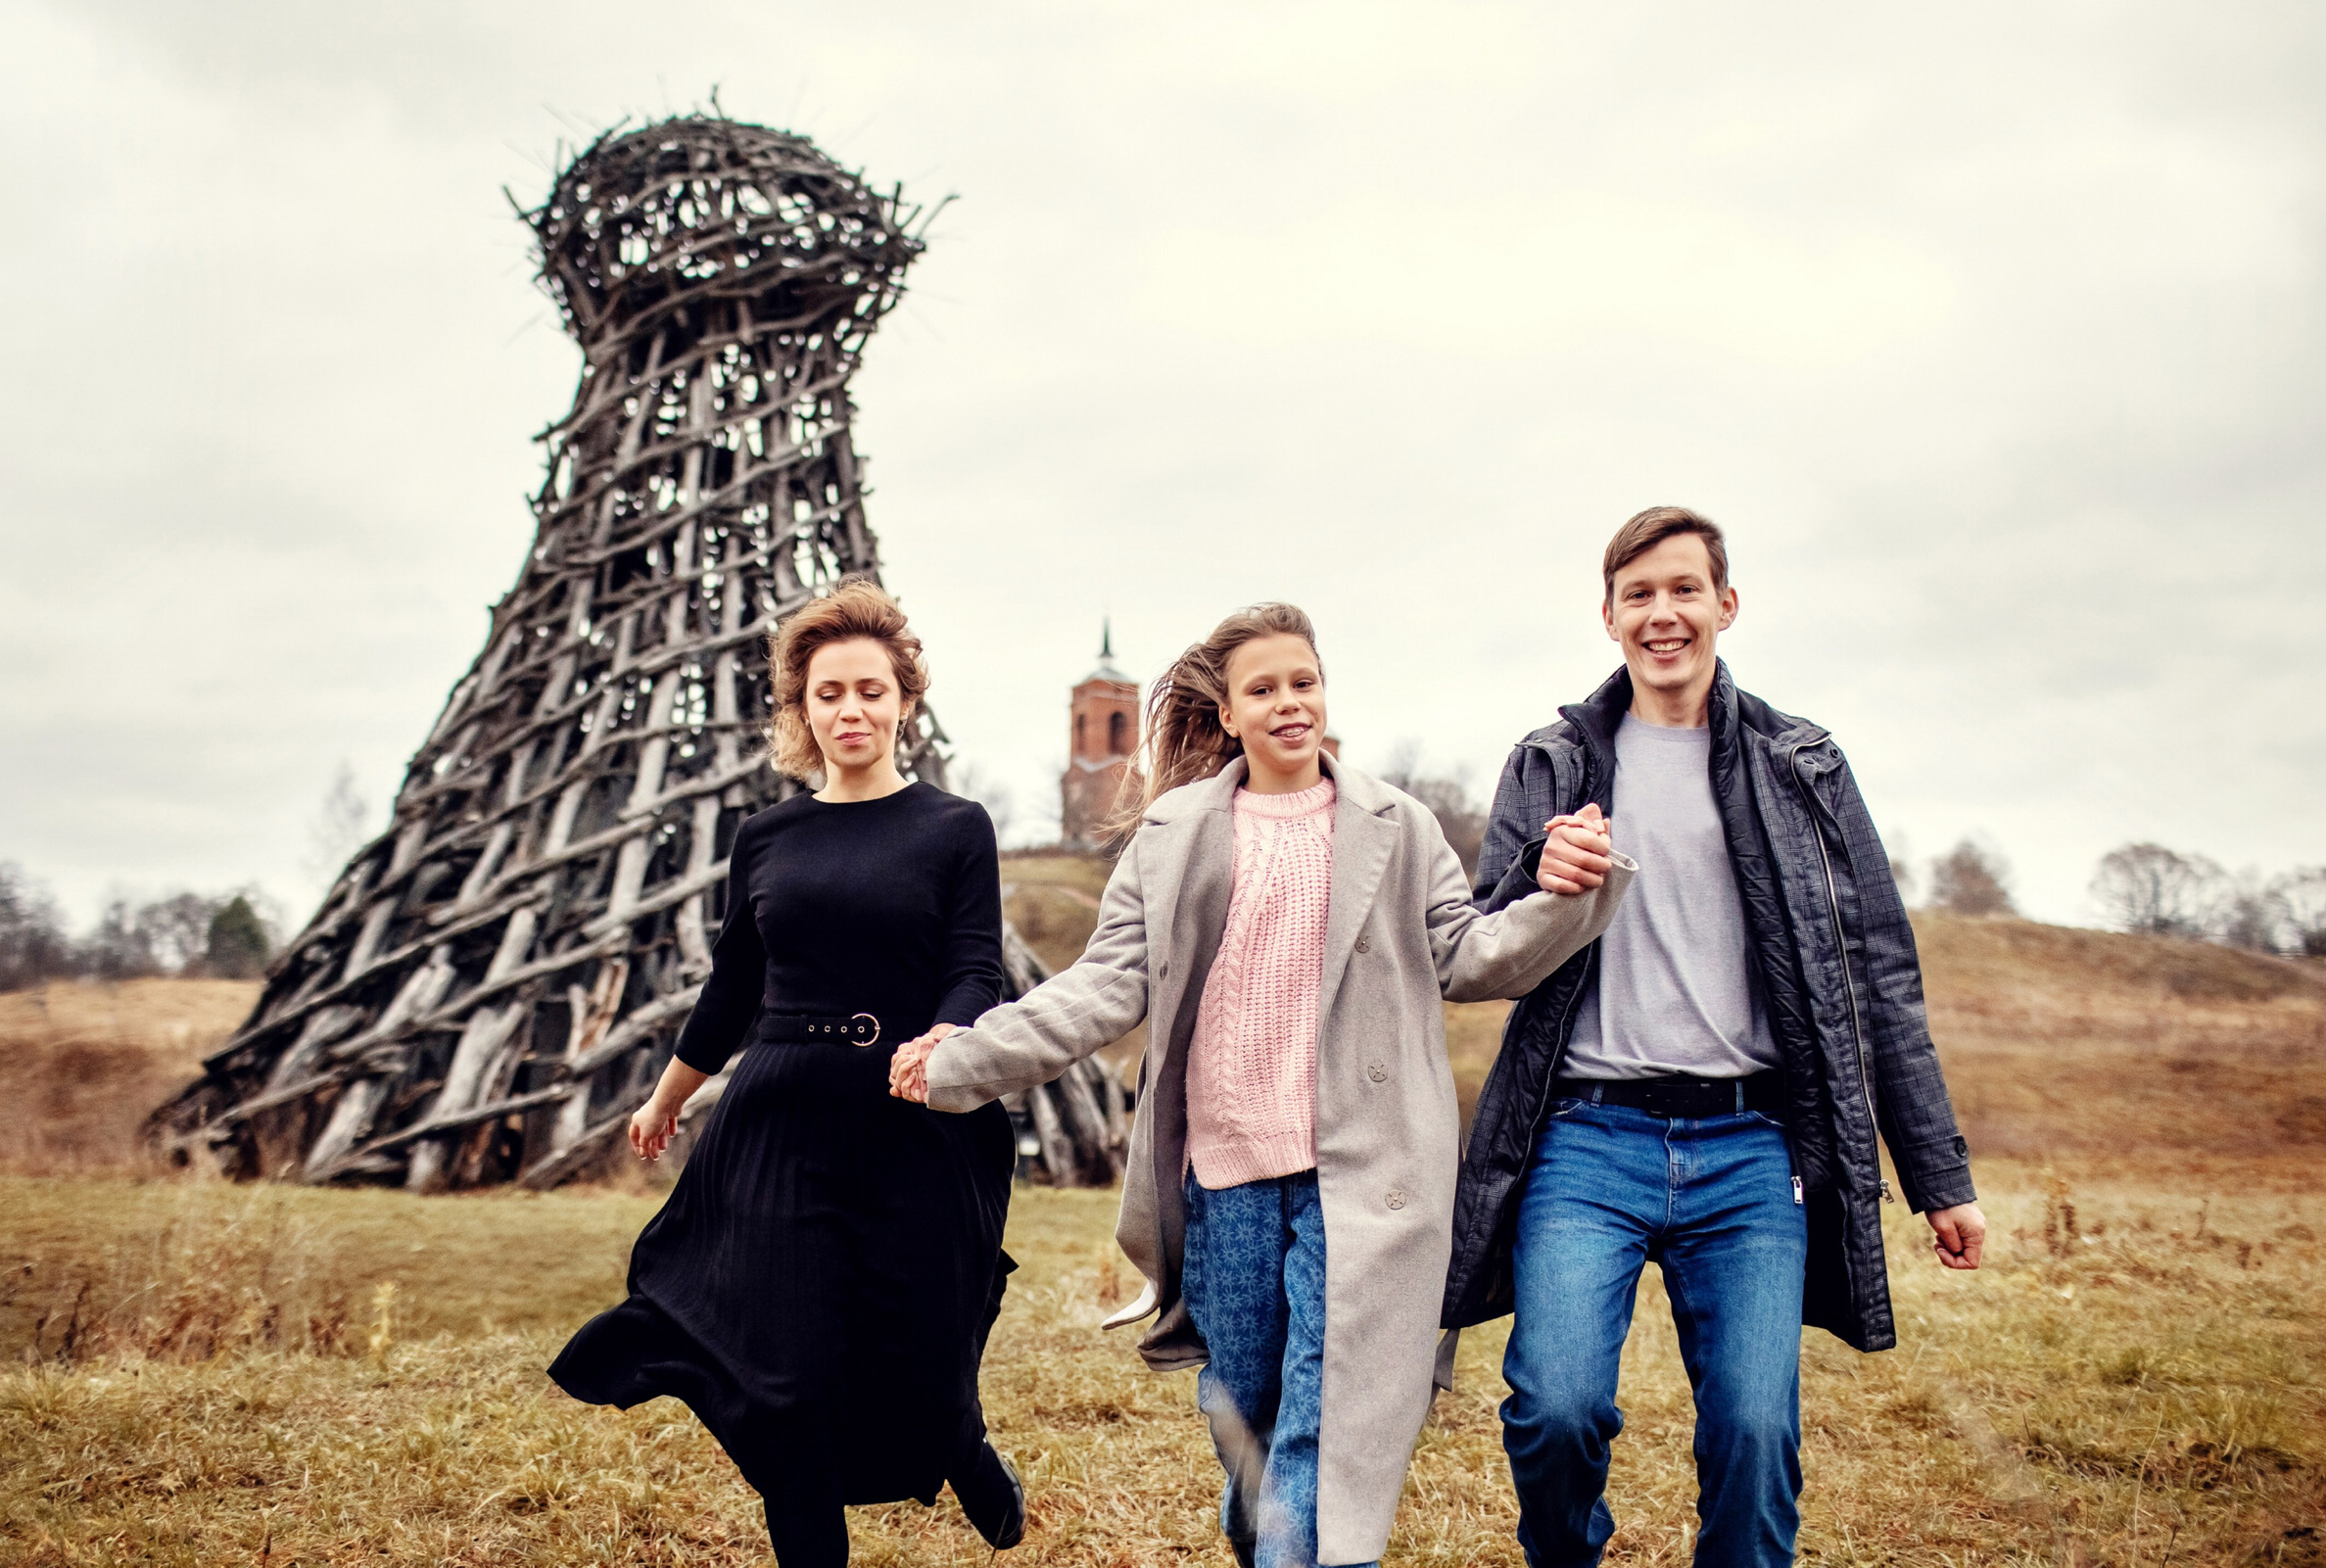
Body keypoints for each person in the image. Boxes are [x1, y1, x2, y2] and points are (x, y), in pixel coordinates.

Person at [891, 602, 1635, 1568]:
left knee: (1323, 1426)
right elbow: (1103, 988)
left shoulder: (1397, 826)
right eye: (1263, 689)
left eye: (1303, 682)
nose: (1289, 702)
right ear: (1229, 713)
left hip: (1366, 1175)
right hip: (1225, 1176)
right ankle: (1257, 1532)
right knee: (1245, 1407)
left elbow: (1471, 960)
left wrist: (1568, 896)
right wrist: (960, 1060)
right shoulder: (1173, 836)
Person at [1448, 506, 1986, 1568]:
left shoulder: (1802, 765)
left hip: (1751, 1148)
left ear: (1725, 606)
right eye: (1639, 595)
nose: (1664, 614)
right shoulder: (1552, 761)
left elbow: (1876, 973)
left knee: (1751, 1428)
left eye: (1684, 590)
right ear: (1607, 618)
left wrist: (1938, 1174)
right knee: (1553, 1407)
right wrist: (1537, 881)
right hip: (1584, 1138)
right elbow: (1478, 948)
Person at [548, 580, 1024, 1568]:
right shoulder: (766, 836)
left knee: (925, 1334)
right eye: (828, 694)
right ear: (801, 710)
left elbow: (975, 961)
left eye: (870, 691)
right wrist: (668, 1095)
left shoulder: (953, 826)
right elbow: (734, 984)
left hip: (911, 1110)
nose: (850, 711)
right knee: (786, 1375)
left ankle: (957, 1439)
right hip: (780, 1117)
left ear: (904, 701)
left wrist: (945, 1036)